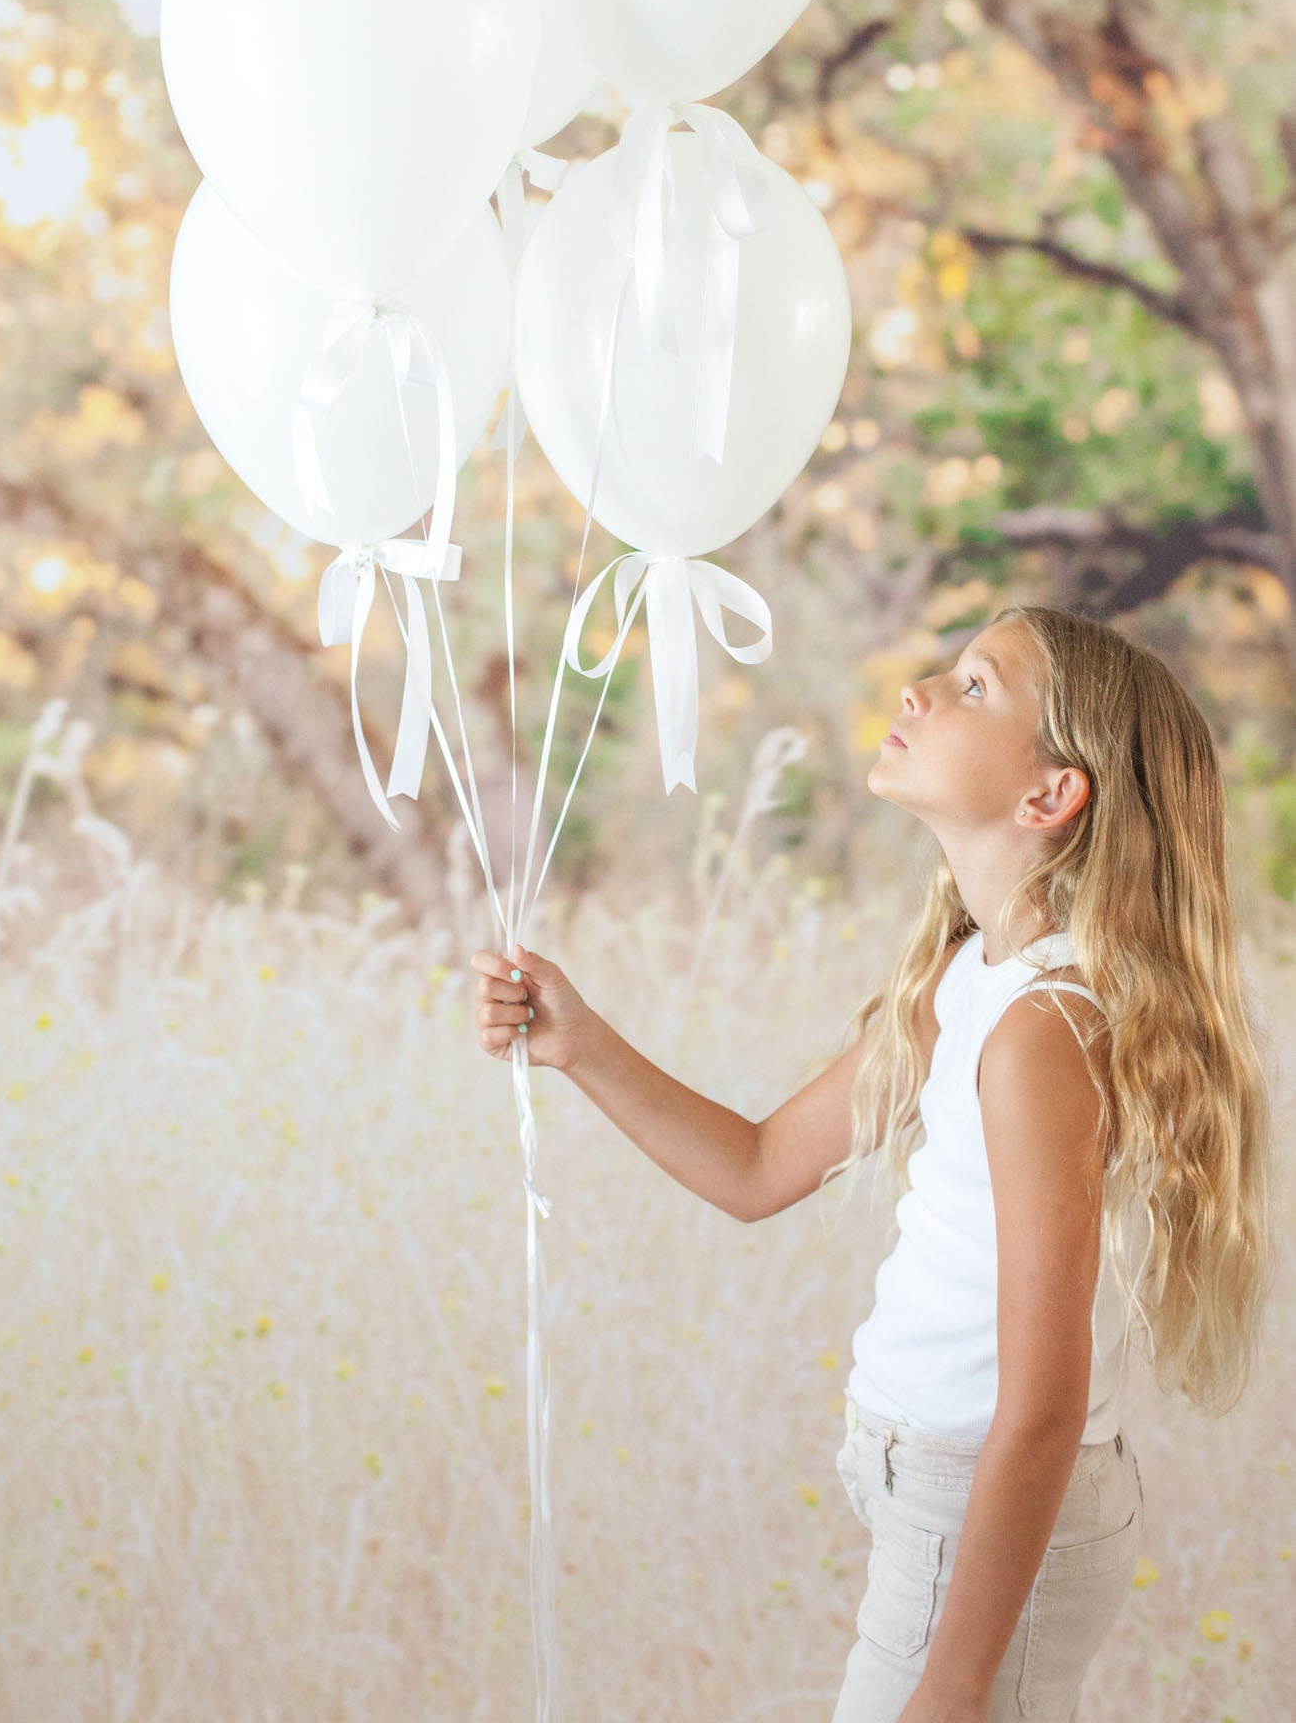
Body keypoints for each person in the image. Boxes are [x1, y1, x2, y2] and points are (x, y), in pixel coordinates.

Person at [470, 604, 1277, 1723]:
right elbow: (756, 1167)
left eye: (975, 686)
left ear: (1050, 795)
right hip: (947, 1507)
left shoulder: (1043, 1029)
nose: (918, 692)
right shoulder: (969, 981)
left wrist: (947, 1692)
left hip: (983, 1516)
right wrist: (580, 1043)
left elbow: (1042, 1405)